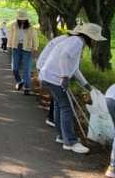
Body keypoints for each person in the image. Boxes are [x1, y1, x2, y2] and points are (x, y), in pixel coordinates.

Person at [37, 22, 107, 155]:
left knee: (60, 106)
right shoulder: (77, 41)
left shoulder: (75, 41)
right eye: (95, 39)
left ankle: (62, 136)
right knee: (66, 108)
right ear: (90, 37)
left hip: (48, 76)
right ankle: (70, 142)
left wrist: (86, 85)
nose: (95, 42)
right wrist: (64, 76)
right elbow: (64, 56)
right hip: (54, 78)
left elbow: (74, 69)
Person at [36, 33, 66, 128]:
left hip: (44, 66)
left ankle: (52, 118)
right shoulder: (69, 42)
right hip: (47, 68)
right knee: (58, 95)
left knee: (56, 95)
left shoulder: (64, 39)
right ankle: (52, 119)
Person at [8, 10, 39, 95]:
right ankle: (19, 81)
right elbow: (10, 36)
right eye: (21, 19)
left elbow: (35, 38)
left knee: (27, 69)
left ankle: (27, 88)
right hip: (16, 48)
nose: (22, 20)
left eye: (24, 19)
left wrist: (35, 47)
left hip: (27, 49)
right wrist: (9, 46)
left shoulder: (30, 27)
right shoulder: (13, 25)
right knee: (15, 68)